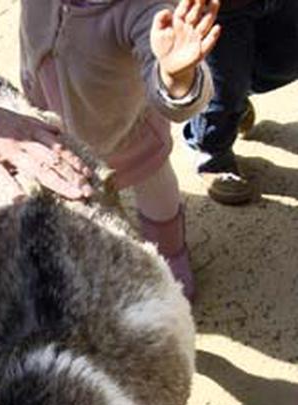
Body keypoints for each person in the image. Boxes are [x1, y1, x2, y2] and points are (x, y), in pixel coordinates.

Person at [18, 0, 222, 300]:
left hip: (124, 130)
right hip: (49, 107)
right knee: (68, 189)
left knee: (155, 184)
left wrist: (176, 78)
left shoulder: (146, 9)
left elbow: (169, 86)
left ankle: (170, 255)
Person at [183, 0, 298, 205]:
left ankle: (236, 99)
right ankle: (213, 154)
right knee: (224, 86)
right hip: (221, 9)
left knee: (284, 62)